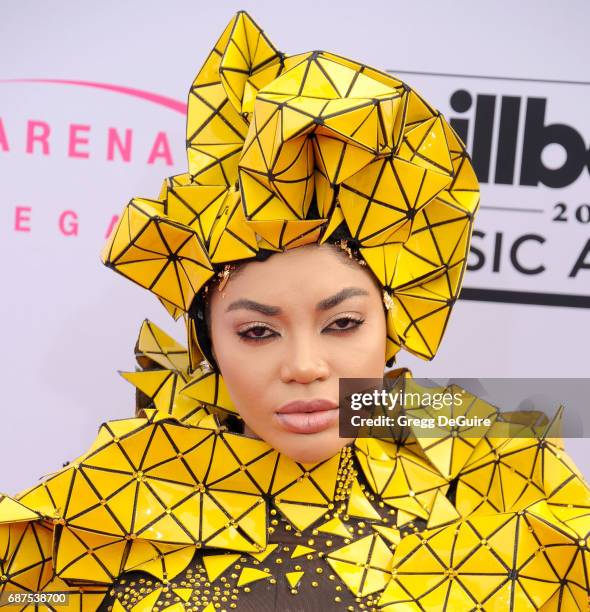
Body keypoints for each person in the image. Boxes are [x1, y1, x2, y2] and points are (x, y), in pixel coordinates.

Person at [1, 10, 589, 611]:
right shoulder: (94, 510)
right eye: (258, 331)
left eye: (342, 324)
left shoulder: (499, 463)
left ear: (392, 324)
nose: (305, 366)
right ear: (208, 342)